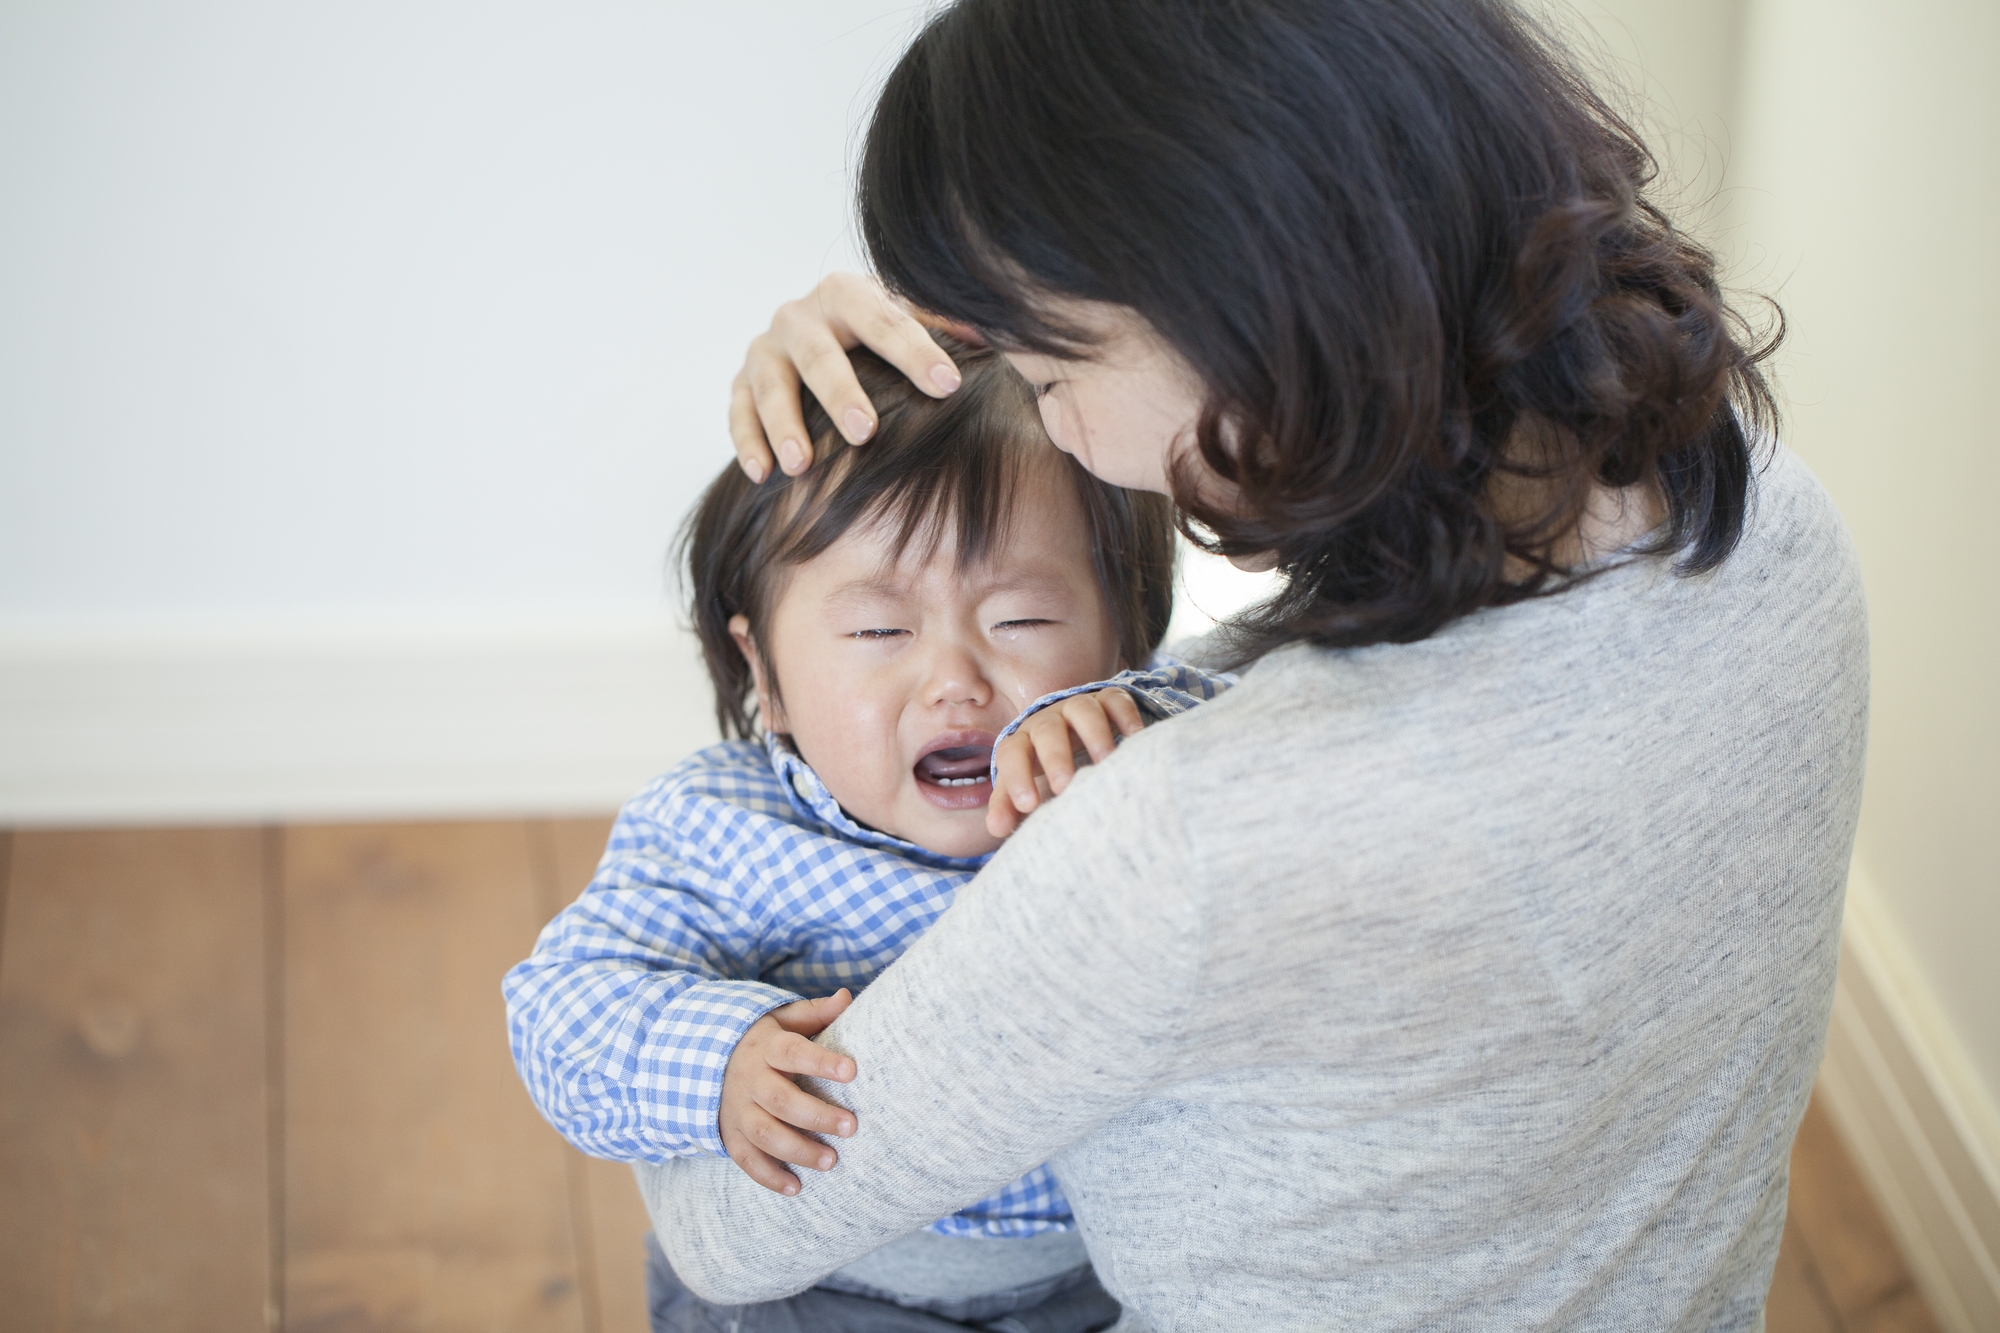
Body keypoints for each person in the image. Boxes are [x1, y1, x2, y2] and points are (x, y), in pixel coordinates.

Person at [637, 1, 1869, 1331]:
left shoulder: (1180, 849)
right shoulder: (1771, 526)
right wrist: (955, 398)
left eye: (1051, 372)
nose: (1061, 431)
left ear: (1229, 298)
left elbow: (729, 1232)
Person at [503, 340, 1229, 1331]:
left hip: (1104, 1278)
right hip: (828, 1291)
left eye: (1019, 618)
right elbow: (562, 1007)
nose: (955, 679)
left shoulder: (1137, 768)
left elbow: (1268, 728)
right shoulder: (728, 829)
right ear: (762, 673)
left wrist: (1137, 711)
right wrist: (720, 1063)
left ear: (1125, 630)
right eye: (880, 633)